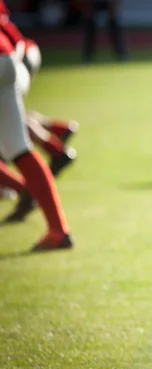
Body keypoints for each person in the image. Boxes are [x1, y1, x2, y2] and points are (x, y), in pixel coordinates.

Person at [0, 28, 73, 250]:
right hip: (8, 56)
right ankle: (58, 230)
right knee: (20, 147)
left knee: (18, 139)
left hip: (14, 54)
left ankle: (26, 189)